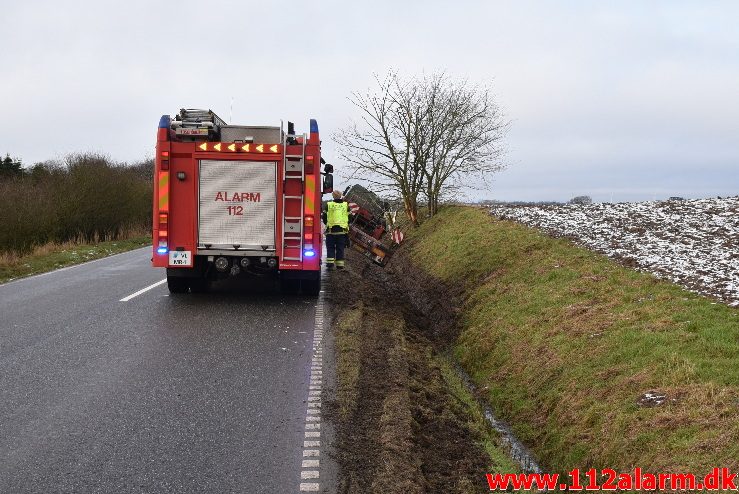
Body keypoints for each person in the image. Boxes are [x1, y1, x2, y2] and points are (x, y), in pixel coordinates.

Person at [322, 190, 350, 270]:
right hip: (342, 231)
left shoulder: (329, 205)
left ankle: (330, 265)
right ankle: (340, 265)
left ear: (333, 196)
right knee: (340, 248)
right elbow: (350, 217)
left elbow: (324, 217)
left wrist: (327, 224)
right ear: (340, 195)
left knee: (330, 248)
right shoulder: (345, 205)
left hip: (331, 231)